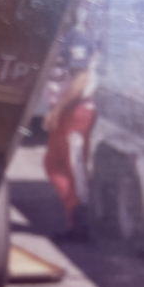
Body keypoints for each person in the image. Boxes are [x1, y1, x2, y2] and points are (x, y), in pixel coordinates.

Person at [43, 22, 99, 240]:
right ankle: (75, 217)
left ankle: (80, 226)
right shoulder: (57, 34)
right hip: (65, 110)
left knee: (74, 168)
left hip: (76, 110)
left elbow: (80, 78)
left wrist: (57, 110)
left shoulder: (76, 37)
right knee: (54, 164)